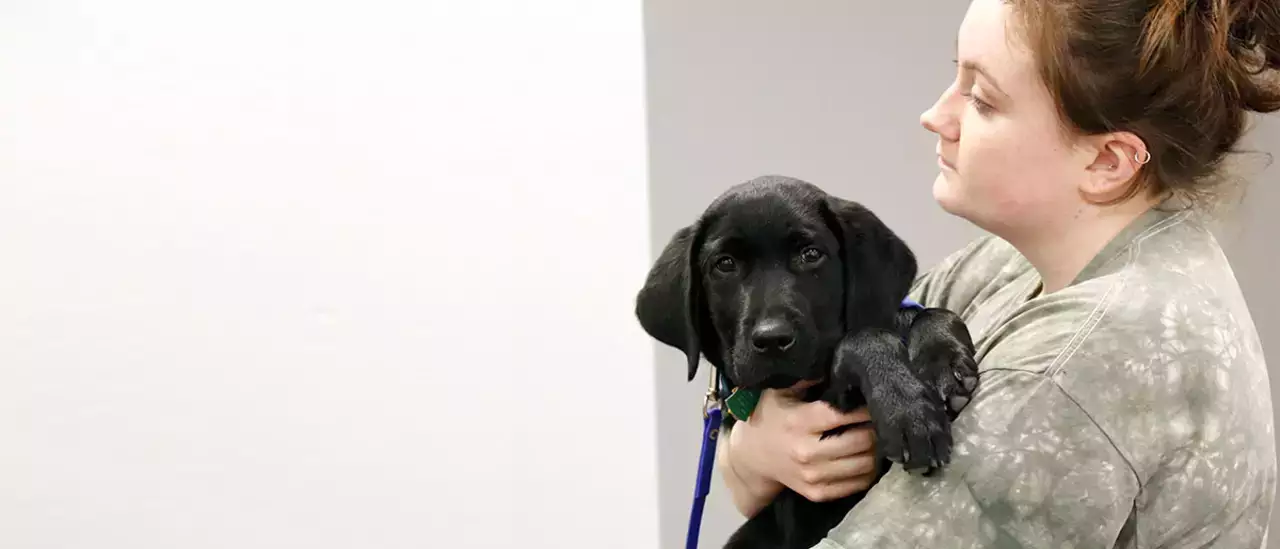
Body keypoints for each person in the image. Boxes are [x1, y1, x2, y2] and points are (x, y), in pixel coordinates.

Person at [716, 0, 1280, 546]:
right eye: (954, 76)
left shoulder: (1071, 366)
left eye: (981, 99)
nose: (936, 116)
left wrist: (756, 459)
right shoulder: (1021, 265)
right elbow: (827, 380)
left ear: (1107, 161)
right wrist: (752, 450)